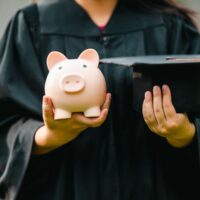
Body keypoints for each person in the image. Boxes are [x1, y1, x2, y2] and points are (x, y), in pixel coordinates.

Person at [0, 0, 200, 199]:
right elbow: (5, 124)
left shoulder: (171, 25)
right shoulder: (30, 25)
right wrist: (49, 136)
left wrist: (184, 135)